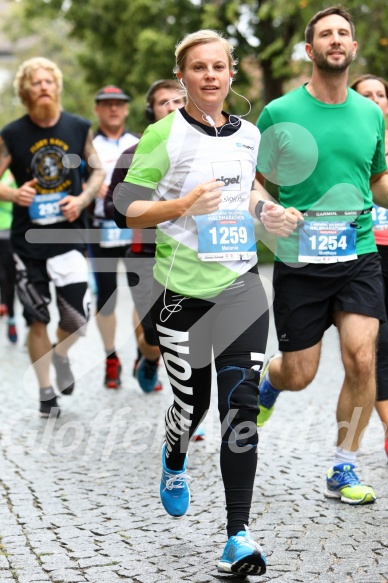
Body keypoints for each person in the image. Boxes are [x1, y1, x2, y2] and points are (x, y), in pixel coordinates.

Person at [113, 29, 297, 575]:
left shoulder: (249, 134)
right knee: (189, 407)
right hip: (182, 297)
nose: (210, 76)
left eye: (219, 66)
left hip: (241, 289)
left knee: (240, 410)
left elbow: (251, 193)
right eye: (198, 67)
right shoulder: (162, 134)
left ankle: (237, 535)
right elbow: (127, 206)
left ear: (232, 73)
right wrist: (183, 204)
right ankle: (174, 458)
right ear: (184, 74)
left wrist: (270, 213)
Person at [256, 6, 388, 504]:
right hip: (300, 259)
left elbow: (376, 185)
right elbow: (258, 183)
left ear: (353, 49)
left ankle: (343, 465)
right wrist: (270, 211)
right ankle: (270, 381)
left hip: (357, 252)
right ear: (311, 51)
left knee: (361, 355)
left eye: (344, 34)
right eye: (326, 34)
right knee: (300, 373)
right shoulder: (281, 112)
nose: (336, 40)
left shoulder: (370, 113)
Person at [0, 57, 105, 417]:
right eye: (35, 82)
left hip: (69, 237)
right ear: (25, 93)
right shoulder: (11, 135)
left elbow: (97, 172)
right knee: (37, 318)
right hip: (27, 244)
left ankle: (60, 356)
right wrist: (13, 194)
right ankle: (46, 391)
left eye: (48, 81)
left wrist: (82, 199)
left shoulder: (77, 127)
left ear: (57, 87)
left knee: (76, 318)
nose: (43, 86)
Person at [105, 79, 185, 394]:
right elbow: (112, 204)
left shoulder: (206, 147)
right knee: (155, 338)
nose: (172, 107)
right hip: (145, 253)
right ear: (151, 111)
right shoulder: (133, 152)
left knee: (187, 332)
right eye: (163, 102)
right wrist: (148, 207)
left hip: (189, 251)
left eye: (178, 101)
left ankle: (189, 410)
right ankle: (149, 360)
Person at [90, 85, 139, 389]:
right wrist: (90, 187)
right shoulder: (87, 145)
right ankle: (111, 357)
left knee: (142, 296)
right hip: (100, 227)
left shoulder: (139, 142)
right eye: (106, 104)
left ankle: (143, 356)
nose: (113, 109)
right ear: (97, 109)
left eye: (118, 104)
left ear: (126, 109)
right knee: (106, 299)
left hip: (135, 227)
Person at [350, 74, 388, 458]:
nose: (375, 101)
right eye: (367, 95)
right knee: (380, 347)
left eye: (381, 94)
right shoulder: (352, 141)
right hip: (367, 250)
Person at [0, 170, 18, 343]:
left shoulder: (11, 172)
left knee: (9, 278)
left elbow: (17, 199)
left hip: (7, 231)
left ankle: (12, 317)